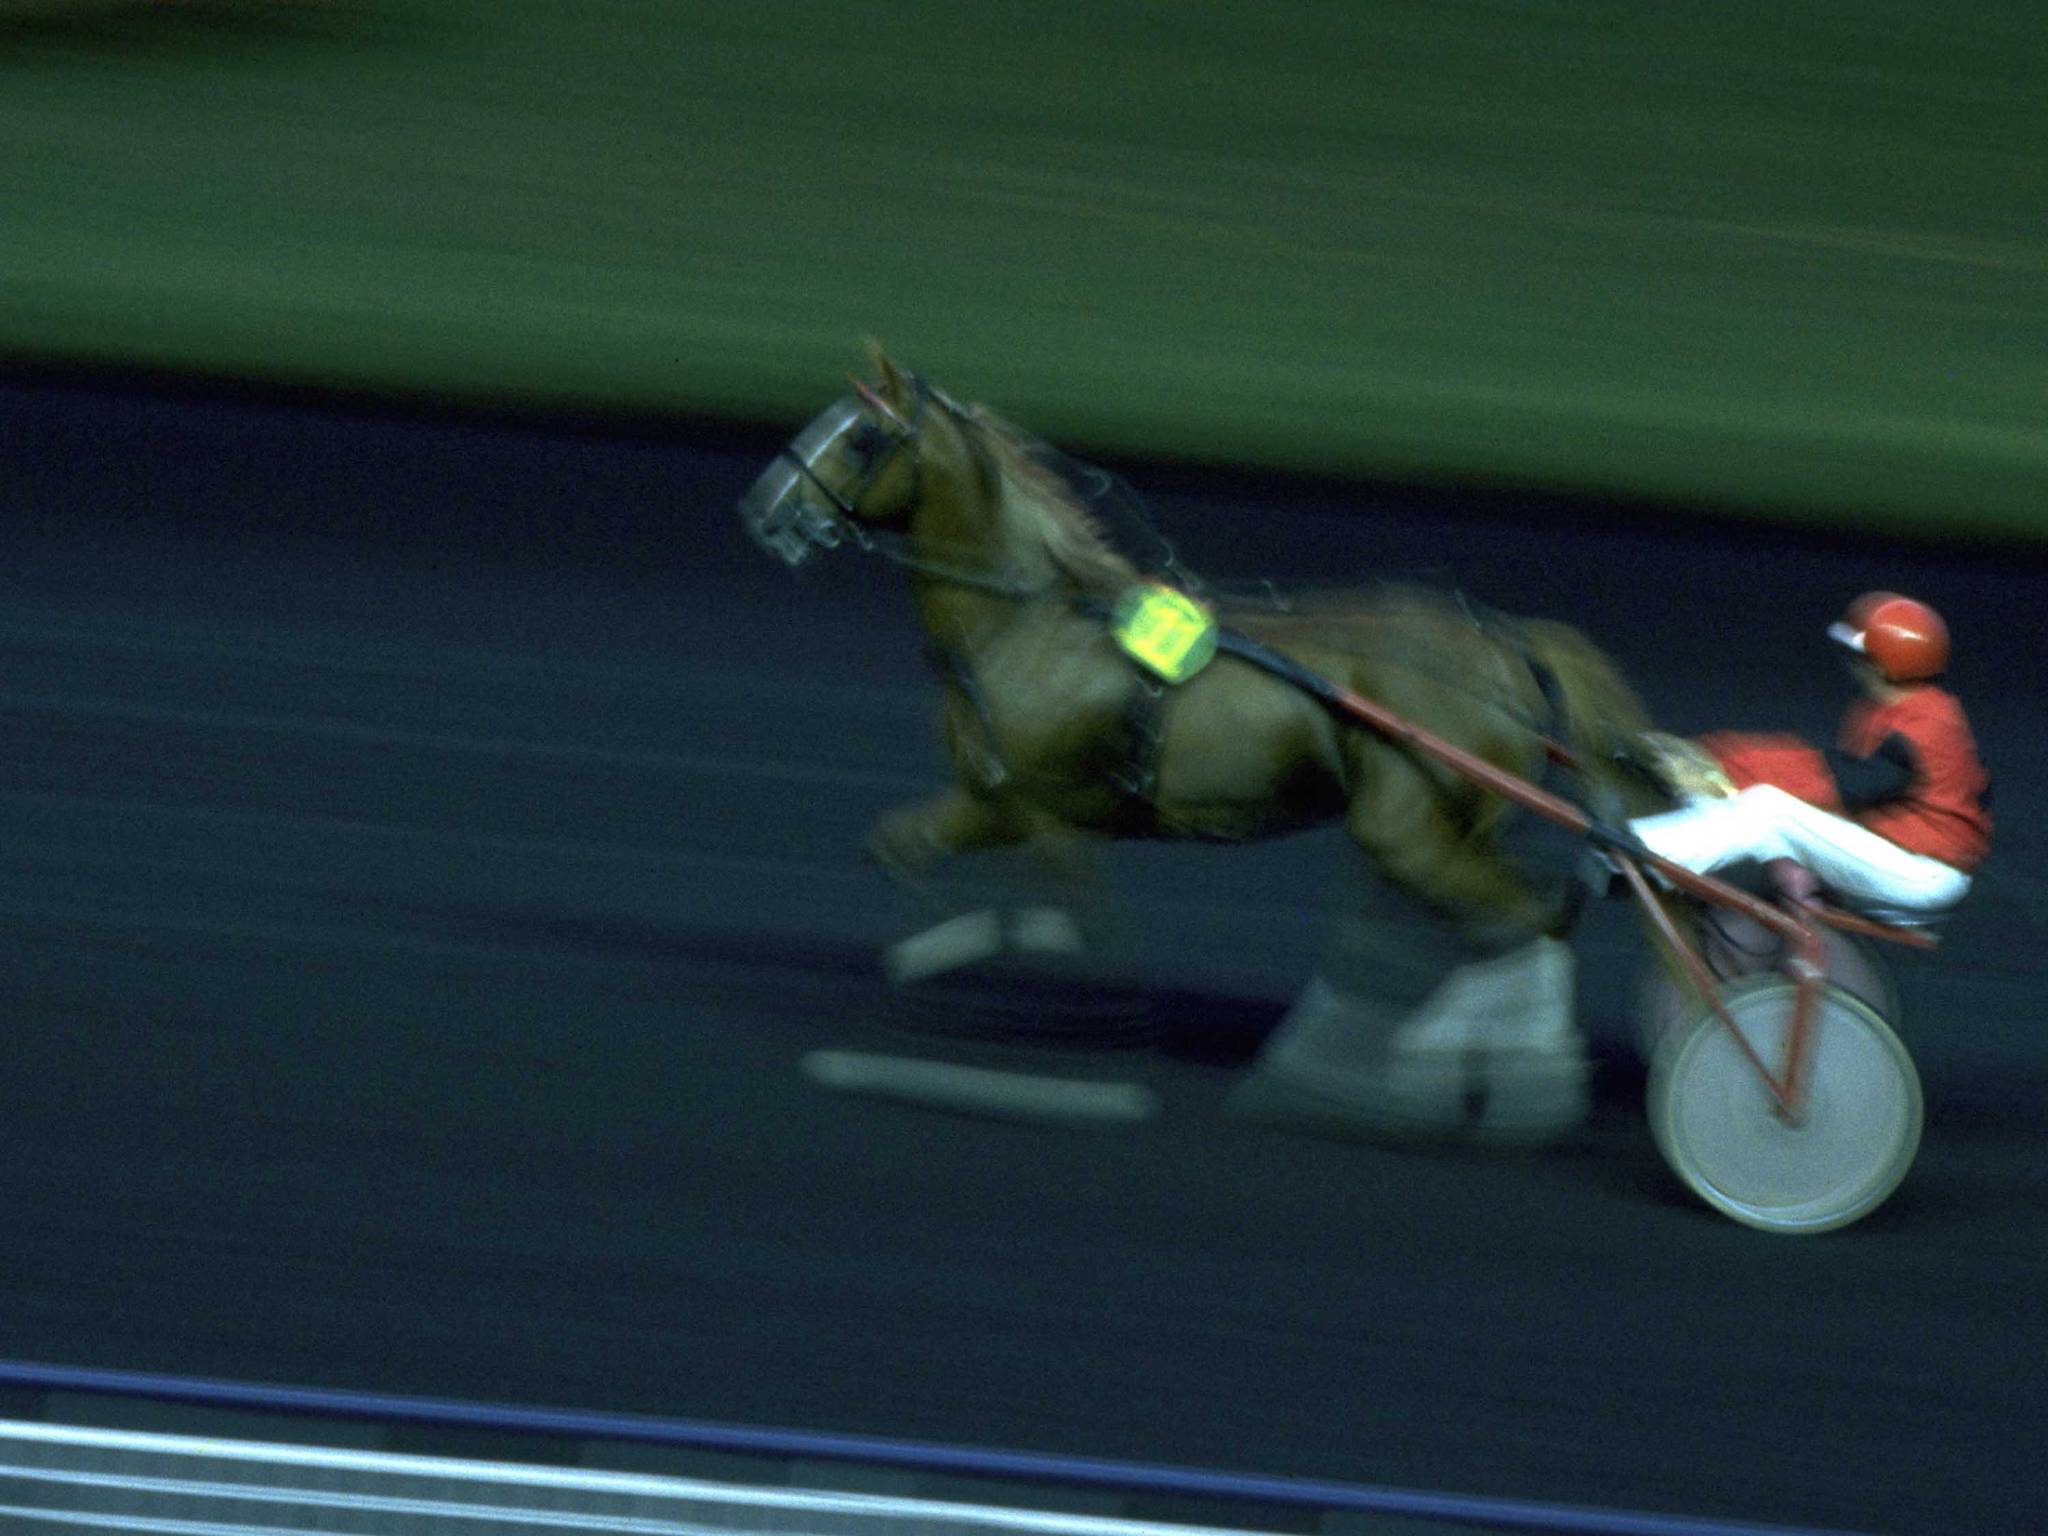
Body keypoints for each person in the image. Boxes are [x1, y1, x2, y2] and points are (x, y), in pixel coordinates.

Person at [1622, 592, 1991, 925]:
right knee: (1756, 802)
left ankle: (1639, 850)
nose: (1851, 662)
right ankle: (1666, 833)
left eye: (1857, 654)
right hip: (1901, 854)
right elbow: (1822, 768)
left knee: (1769, 809)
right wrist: (1715, 759)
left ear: (1881, 663)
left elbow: (1838, 786)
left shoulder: (1925, 724)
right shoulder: (1899, 709)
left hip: (1921, 873)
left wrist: (1726, 772)